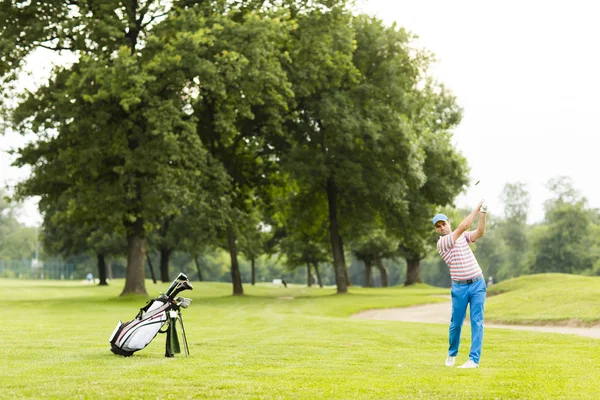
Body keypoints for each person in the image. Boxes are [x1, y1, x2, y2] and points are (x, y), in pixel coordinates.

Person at [432, 200, 487, 369]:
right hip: (459, 287)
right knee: (456, 322)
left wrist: (483, 213)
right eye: (438, 226)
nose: (442, 227)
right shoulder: (442, 243)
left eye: (444, 224)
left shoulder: (463, 237)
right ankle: (452, 353)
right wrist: (476, 208)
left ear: (448, 223)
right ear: (436, 230)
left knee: (477, 321)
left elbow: (479, 232)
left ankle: (473, 360)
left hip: (477, 283)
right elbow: (462, 227)